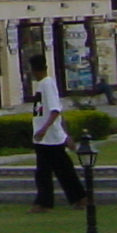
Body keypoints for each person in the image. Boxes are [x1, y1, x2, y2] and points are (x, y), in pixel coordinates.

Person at [28, 54, 86, 211]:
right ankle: (46, 202)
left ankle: (78, 198)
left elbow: (55, 111)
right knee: (45, 171)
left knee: (62, 170)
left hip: (50, 137)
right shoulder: (42, 85)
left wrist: (44, 129)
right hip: (44, 138)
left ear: (34, 70)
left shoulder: (47, 84)